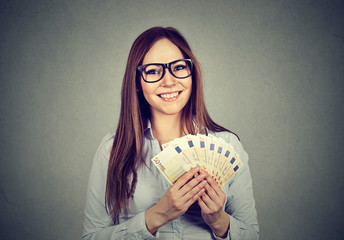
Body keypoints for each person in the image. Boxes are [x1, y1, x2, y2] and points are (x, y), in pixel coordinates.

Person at [82, 27, 259, 240]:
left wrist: (218, 221)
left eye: (179, 67)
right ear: (137, 82)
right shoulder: (112, 150)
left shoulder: (228, 144)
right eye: (153, 71)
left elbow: (252, 235)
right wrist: (155, 216)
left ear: (192, 74)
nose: (168, 81)